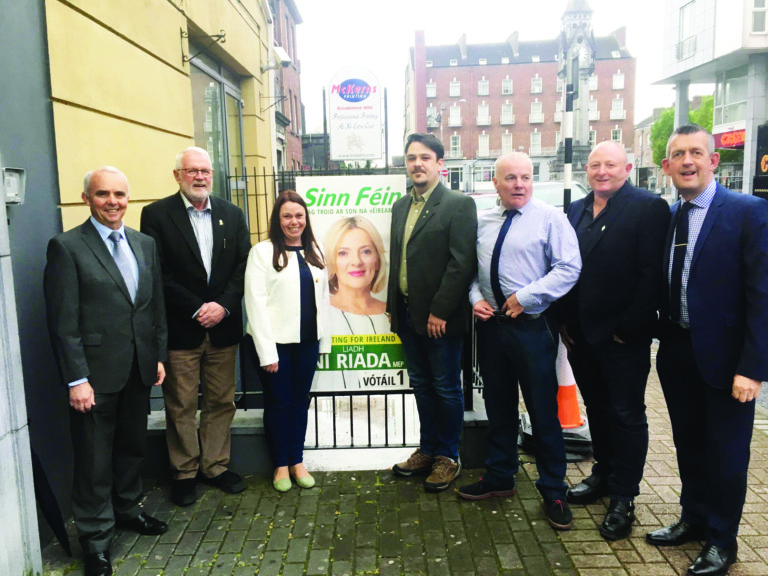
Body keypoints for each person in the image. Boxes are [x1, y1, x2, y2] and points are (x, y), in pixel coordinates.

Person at [645, 124, 768, 576]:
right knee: (688, 443)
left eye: (697, 152)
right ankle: (693, 517)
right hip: (677, 350)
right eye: (678, 155)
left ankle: (722, 540)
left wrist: (753, 368)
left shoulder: (749, 212)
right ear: (667, 166)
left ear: (714, 160)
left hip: (728, 360)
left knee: (727, 452)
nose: (688, 161)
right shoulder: (671, 215)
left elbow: (763, 295)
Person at [44, 167, 169, 576]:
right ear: (86, 198)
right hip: (94, 378)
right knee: (94, 459)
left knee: (132, 448)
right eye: (103, 194)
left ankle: (128, 509)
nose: (112, 201)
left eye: (119, 194)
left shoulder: (144, 244)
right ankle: (95, 540)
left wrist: (158, 357)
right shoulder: (67, 247)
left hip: (138, 369)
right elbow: (63, 321)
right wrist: (76, 379)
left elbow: (154, 308)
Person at [458, 152, 581, 531]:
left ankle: (554, 490)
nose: (519, 185)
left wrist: (526, 296)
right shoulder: (483, 221)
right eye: (510, 178)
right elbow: (471, 270)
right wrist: (475, 297)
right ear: (495, 182)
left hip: (531, 325)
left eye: (525, 177)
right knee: (498, 405)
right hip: (492, 327)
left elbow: (569, 268)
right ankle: (500, 475)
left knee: (543, 412)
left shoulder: (549, 218)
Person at [557, 141, 670, 540]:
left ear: (627, 167)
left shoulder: (647, 207)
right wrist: (565, 323)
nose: (601, 171)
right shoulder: (577, 210)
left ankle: (625, 496)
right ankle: (603, 473)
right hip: (581, 335)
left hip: (622, 338)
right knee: (598, 408)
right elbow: (567, 269)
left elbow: (651, 276)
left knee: (626, 414)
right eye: (595, 165)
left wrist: (629, 328)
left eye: (610, 164)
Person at [140, 147, 251, 507]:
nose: (200, 177)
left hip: (223, 327)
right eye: (192, 171)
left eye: (205, 170)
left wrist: (222, 306)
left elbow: (241, 265)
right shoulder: (156, 214)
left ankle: (215, 467)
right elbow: (159, 272)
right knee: (180, 404)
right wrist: (197, 308)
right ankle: (184, 472)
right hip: (181, 329)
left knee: (221, 401)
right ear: (177, 176)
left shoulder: (232, 215)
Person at [387, 132, 477, 492]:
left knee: (446, 387)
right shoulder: (399, 206)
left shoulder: (457, 204)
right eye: (411, 158)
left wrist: (440, 311)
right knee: (422, 386)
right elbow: (399, 263)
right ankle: (427, 450)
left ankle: (448, 457)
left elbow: (461, 263)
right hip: (408, 315)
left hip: (440, 319)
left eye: (425, 157)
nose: (417, 164)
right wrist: (395, 309)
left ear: (440, 163)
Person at [244, 190, 330, 491]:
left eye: (299, 215)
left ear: (305, 219)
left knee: (299, 403)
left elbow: (324, 302)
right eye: (287, 216)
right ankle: (280, 465)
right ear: (277, 219)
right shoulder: (262, 253)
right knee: (279, 404)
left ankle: (297, 461)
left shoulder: (314, 251)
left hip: (307, 343)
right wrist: (267, 352)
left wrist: (324, 344)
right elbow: (255, 304)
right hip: (275, 346)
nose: (294, 221)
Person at [325, 215, 390, 335]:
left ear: (377, 260)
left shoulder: (392, 314)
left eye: (366, 251)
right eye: (343, 253)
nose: (356, 262)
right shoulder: (321, 312)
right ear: (331, 261)